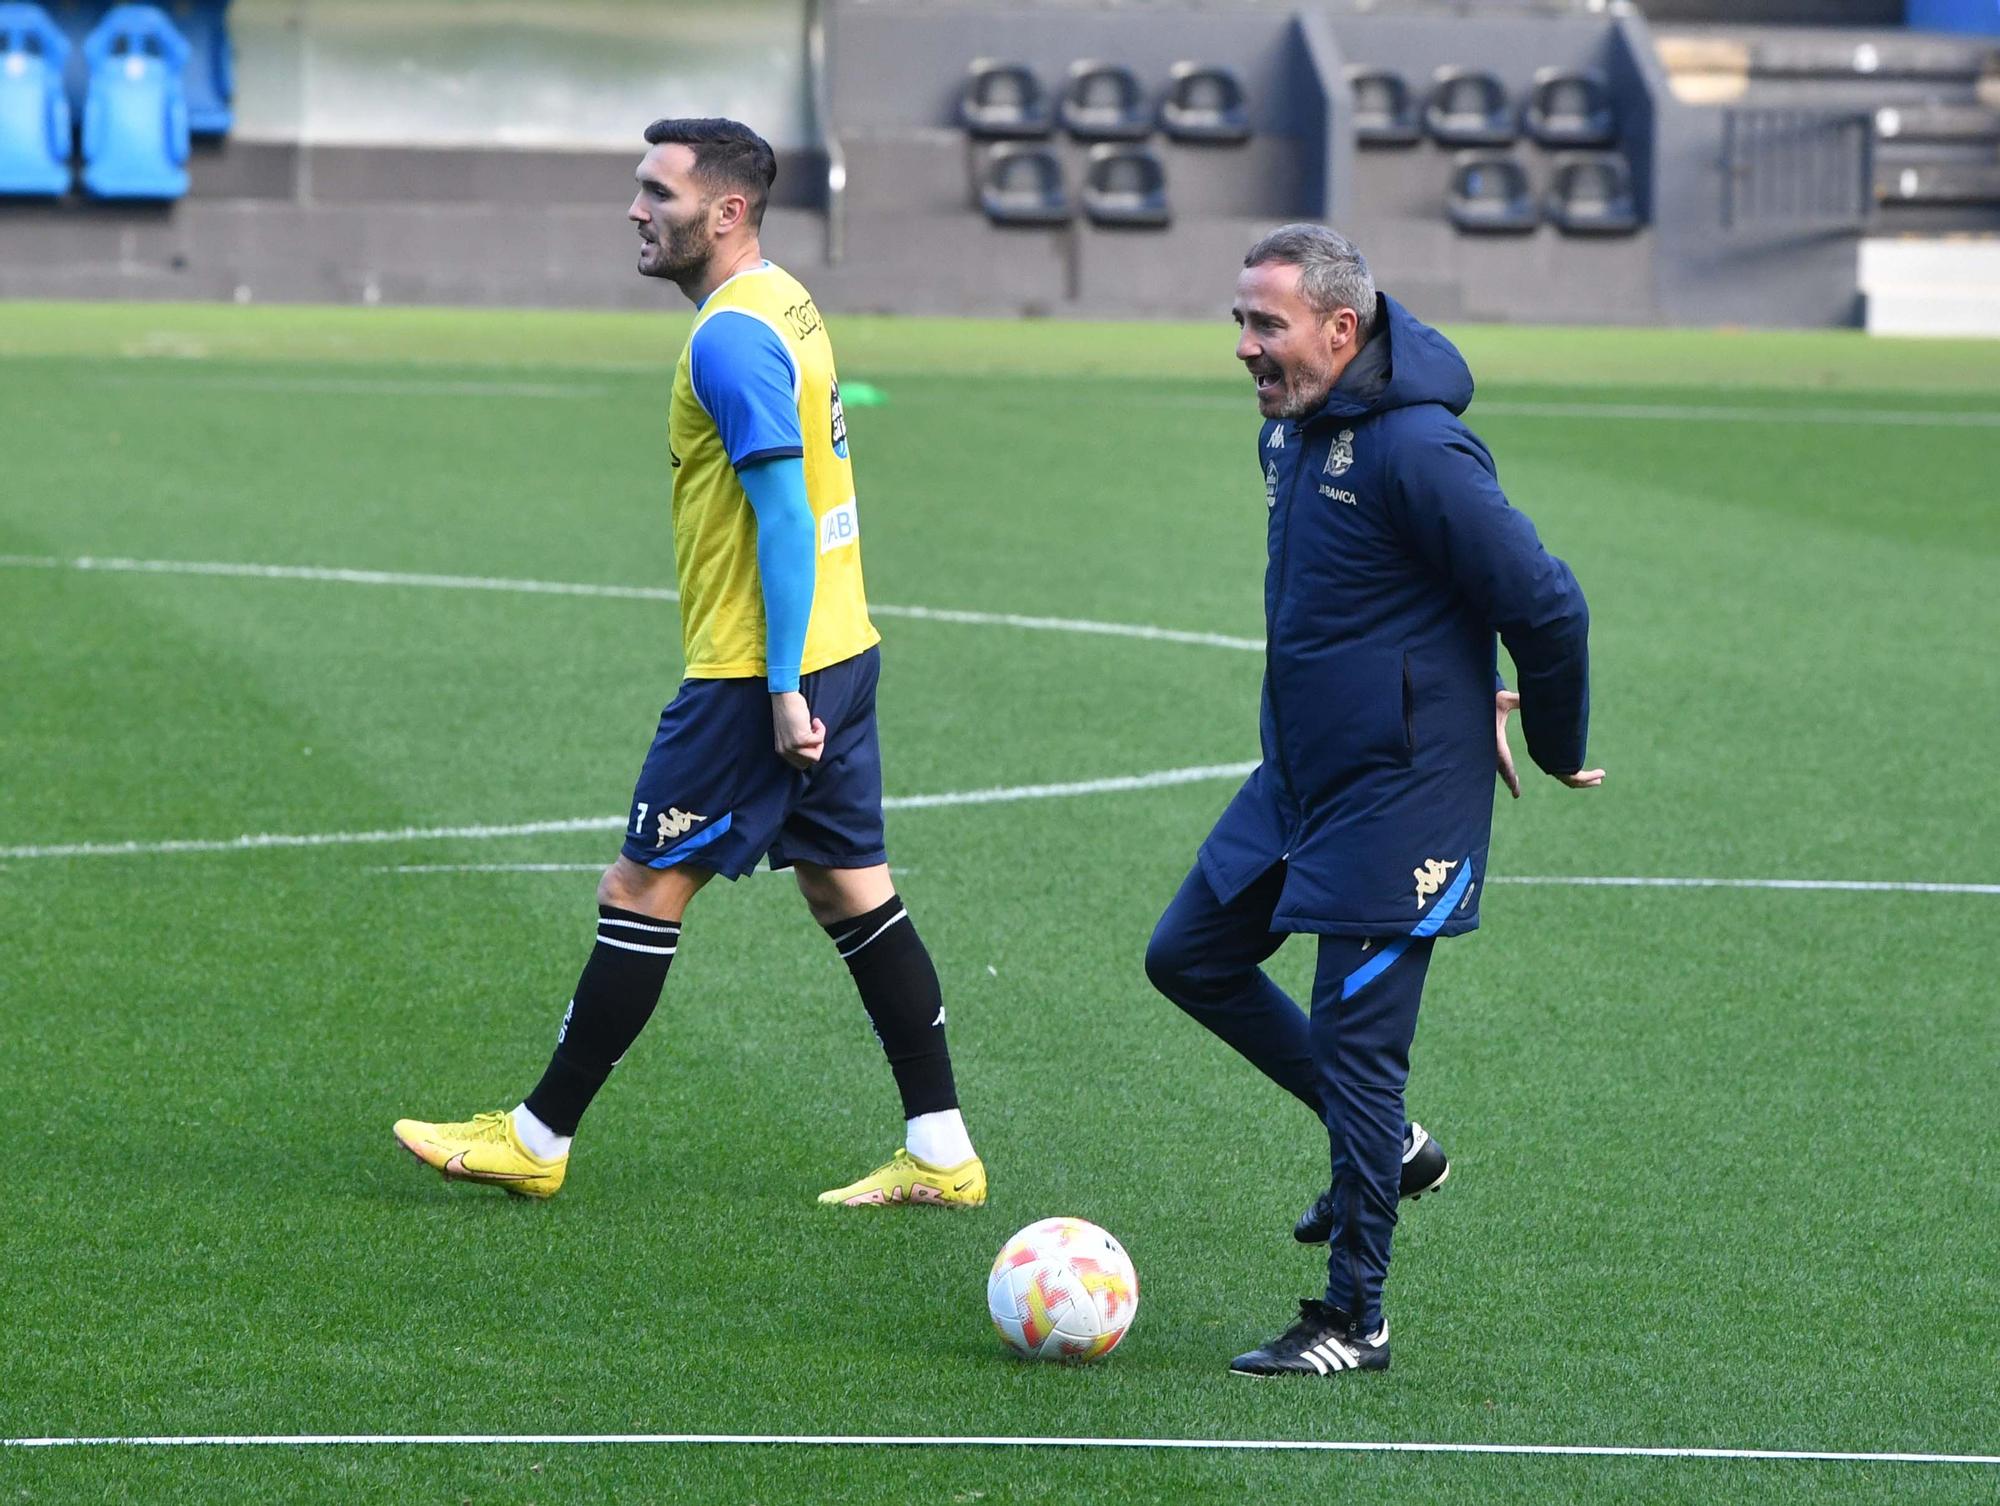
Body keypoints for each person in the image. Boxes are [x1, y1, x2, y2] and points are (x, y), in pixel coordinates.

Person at [393, 118, 985, 1210]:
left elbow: (783, 516)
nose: (635, 209)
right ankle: (942, 1151)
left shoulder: (728, 339)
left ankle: (537, 1134)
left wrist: (777, 693)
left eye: (657, 192)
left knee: (640, 885)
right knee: (850, 890)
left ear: (724, 212)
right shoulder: (783, 298)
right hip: (842, 647)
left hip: (761, 667)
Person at [1144, 224, 1599, 1377]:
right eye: (1238, 322)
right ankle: (1385, 1149)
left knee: (1355, 1051)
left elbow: (1545, 606)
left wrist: (1548, 741)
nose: (1242, 348)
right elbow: (1396, 606)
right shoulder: (1291, 436)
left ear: (1340, 331)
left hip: (1400, 798)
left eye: (1265, 325)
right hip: (1300, 778)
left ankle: (1355, 1316)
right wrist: (1455, 683)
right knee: (1188, 956)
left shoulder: (1418, 451)